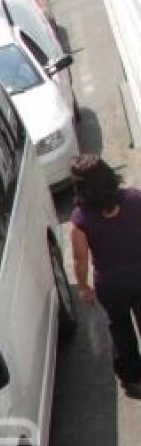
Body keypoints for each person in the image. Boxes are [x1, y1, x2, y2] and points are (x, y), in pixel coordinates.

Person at [70, 153, 141, 397]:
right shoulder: (134, 198)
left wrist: (83, 287)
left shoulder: (80, 220)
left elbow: (80, 259)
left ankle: (134, 380)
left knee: (121, 330)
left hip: (111, 286)